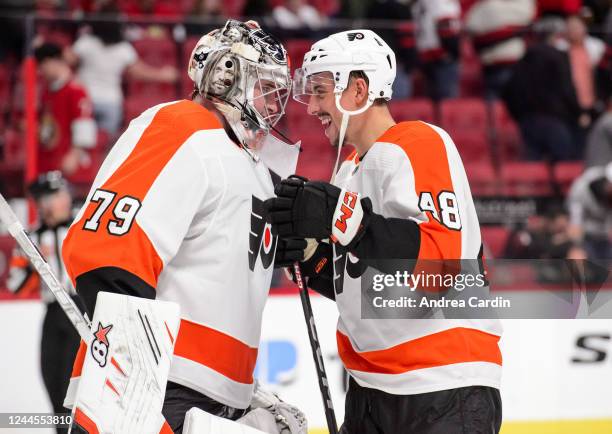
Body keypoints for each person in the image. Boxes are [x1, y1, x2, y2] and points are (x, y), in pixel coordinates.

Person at [61, 20, 302, 433]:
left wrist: (239, 392)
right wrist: (132, 384)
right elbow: (106, 249)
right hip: (154, 388)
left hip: (206, 395)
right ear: (227, 76)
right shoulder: (182, 126)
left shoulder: (253, 168)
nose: (270, 105)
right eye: (263, 87)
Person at [266, 29, 503, 433]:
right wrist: (311, 257)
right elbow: (363, 283)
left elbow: (442, 268)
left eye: (321, 91)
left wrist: (341, 218)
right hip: (369, 391)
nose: (313, 107)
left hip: (442, 387)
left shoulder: (419, 142)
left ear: (358, 90)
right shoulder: (348, 170)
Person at [7, 171, 82, 434]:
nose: (62, 200)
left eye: (62, 194)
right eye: (54, 196)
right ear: (42, 204)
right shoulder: (31, 240)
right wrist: (32, 264)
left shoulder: (80, 229)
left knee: (73, 385)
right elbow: (15, 285)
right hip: (53, 313)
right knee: (51, 376)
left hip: (81, 311)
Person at [66, 17, 178, 136]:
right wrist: (162, 75)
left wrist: (73, 76)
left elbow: (66, 60)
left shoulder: (86, 42)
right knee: (106, 146)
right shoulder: (122, 47)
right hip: (109, 102)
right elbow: (138, 71)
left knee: (85, 142)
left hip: (89, 100)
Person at [503, 17, 583, 160]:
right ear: (555, 36)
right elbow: (567, 90)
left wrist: (520, 116)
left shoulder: (523, 60)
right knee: (564, 164)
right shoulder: (559, 58)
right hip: (555, 120)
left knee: (532, 171)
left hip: (528, 121)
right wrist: (578, 113)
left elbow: (509, 92)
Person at [34, 42, 98, 181]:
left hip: (67, 163)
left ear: (53, 61)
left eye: (42, 65)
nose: (40, 71)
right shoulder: (46, 91)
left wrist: (75, 154)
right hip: (50, 157)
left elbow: (84, 123)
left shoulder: (75, 90)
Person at [465, 0, 536, 99]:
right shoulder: (524, 4)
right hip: (503, 64)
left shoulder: (485, 6)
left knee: (495, 106)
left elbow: (470, 27)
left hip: (501, 64)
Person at [567, 162, 612, 259]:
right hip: (586, 237)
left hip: (607, 239)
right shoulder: (582, 189)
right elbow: (576, 223)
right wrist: (577, 247)